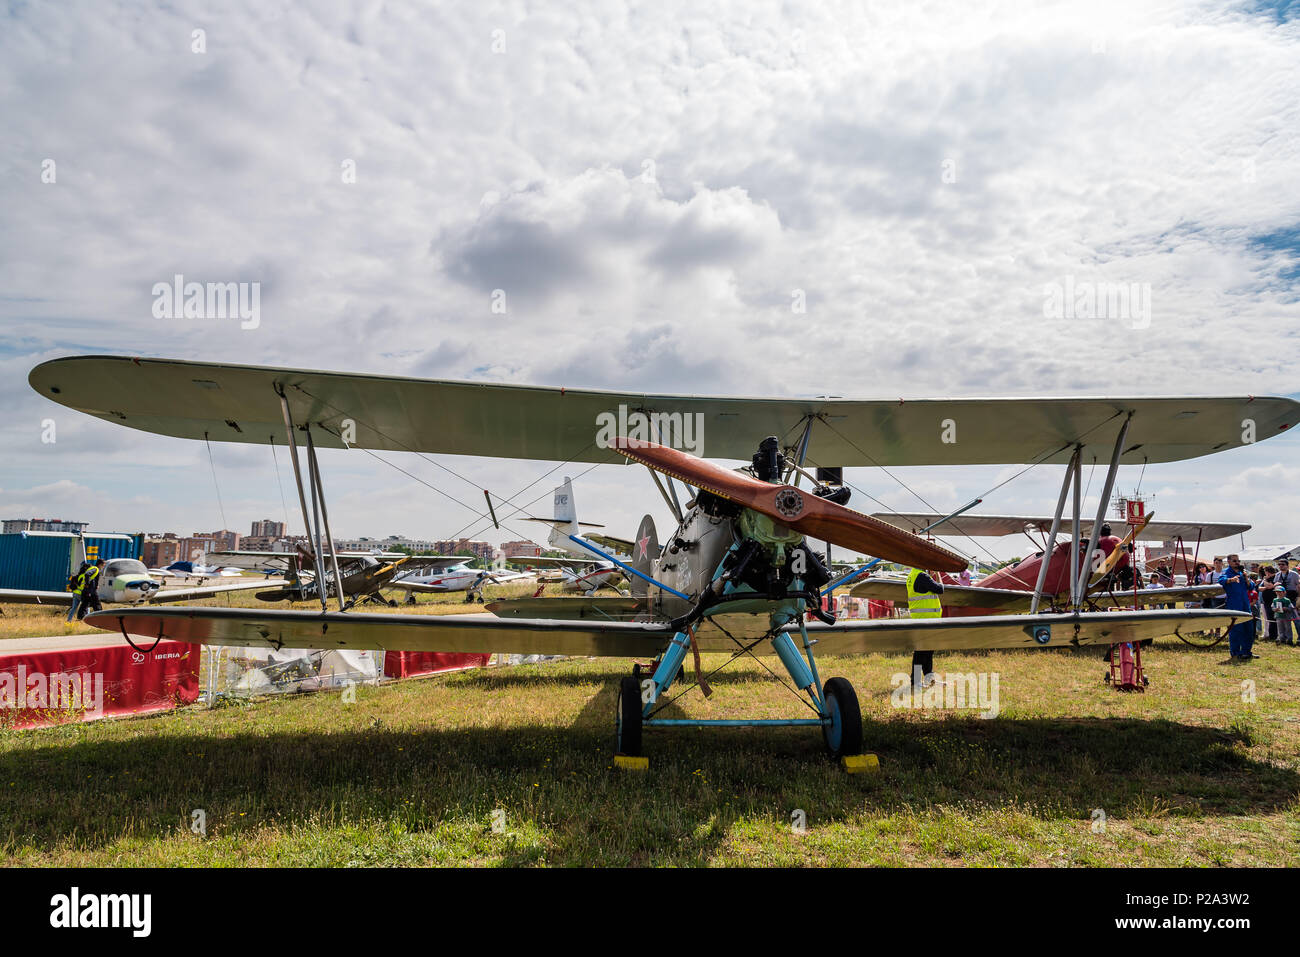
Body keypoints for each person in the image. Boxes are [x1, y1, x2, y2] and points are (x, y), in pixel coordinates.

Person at [906, 566, 944, 687]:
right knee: (922, 652)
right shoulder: (922, 576)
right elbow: (940, 589)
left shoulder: (913, 575)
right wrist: (938, 574)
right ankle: (916, 681)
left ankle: (929, 679)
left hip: (922, 618)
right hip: (926, 619)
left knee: (926, 652)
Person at [1218, 554, 1257, 661]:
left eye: (1238, 561)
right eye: (1234, 561)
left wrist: (1246, 578)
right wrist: (1231, 579)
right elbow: (1221, 580)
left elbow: (1251, 587)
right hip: (1234, 604)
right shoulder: (1226, 572)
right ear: (1229, 562)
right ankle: (1235, 653)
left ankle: (1246, 652)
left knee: (1248, 629)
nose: (1237, 563)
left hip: (1245, 604)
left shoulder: (1242, 572)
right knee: (1236, 629)